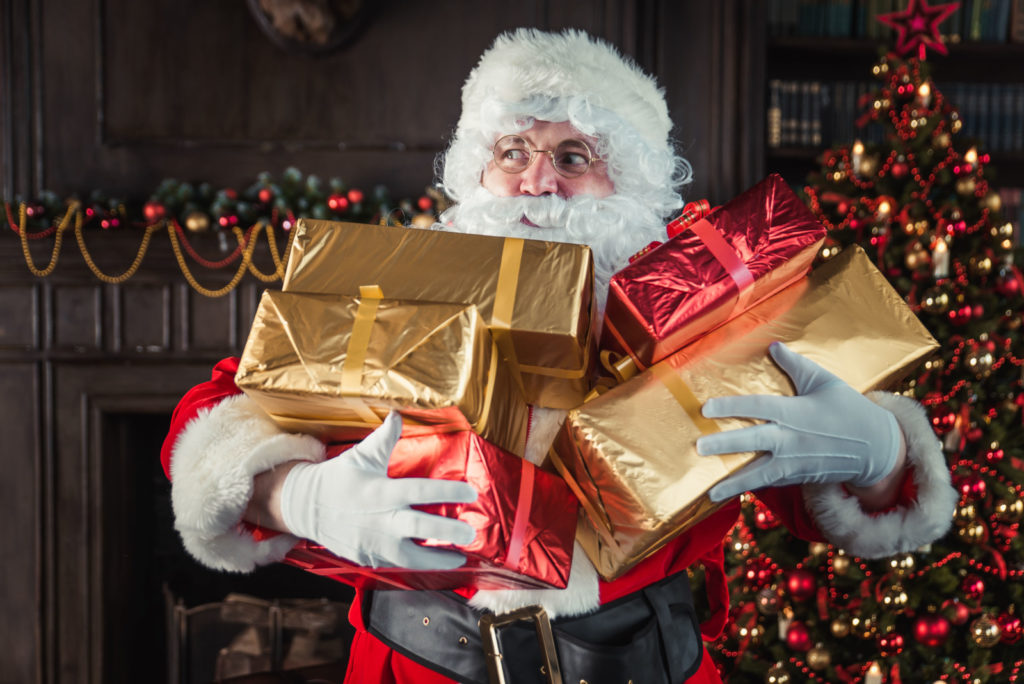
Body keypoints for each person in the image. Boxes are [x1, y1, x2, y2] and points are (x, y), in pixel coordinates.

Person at [161, 28, 957, 684]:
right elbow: (218, 414)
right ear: (478, 170)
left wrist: (879, 450)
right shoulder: (399, 285)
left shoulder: (706, 310)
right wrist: (297, 498)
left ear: (630, 182)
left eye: (572, 156)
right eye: (512, 151)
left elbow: (847, 506)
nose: (536, 183)